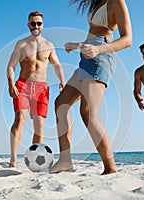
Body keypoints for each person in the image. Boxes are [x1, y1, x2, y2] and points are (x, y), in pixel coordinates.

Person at [49, 0, 132, 175]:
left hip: (101, 57)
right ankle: (65, 160)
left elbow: (128, 39)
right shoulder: (97, 3)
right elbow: (93, 35)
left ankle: (110, 168)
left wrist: (99, 50)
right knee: (61, 104)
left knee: (89, 115)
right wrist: (78, 45)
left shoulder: (116, 1)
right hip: (86, 57)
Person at [7, 11, 65, 168]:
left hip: (41, 87)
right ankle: (13, 159)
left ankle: (35, 159)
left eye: (39, 23)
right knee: (20, 118)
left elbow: (57, 64)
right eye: (33, 23)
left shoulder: (49, 45)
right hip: (23, 85)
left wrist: (62, 80)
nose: (36, 26)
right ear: (28, 25)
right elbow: (11, 65)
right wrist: (10, 83)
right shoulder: (22, 44)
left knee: (39, 124)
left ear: (43, 25)